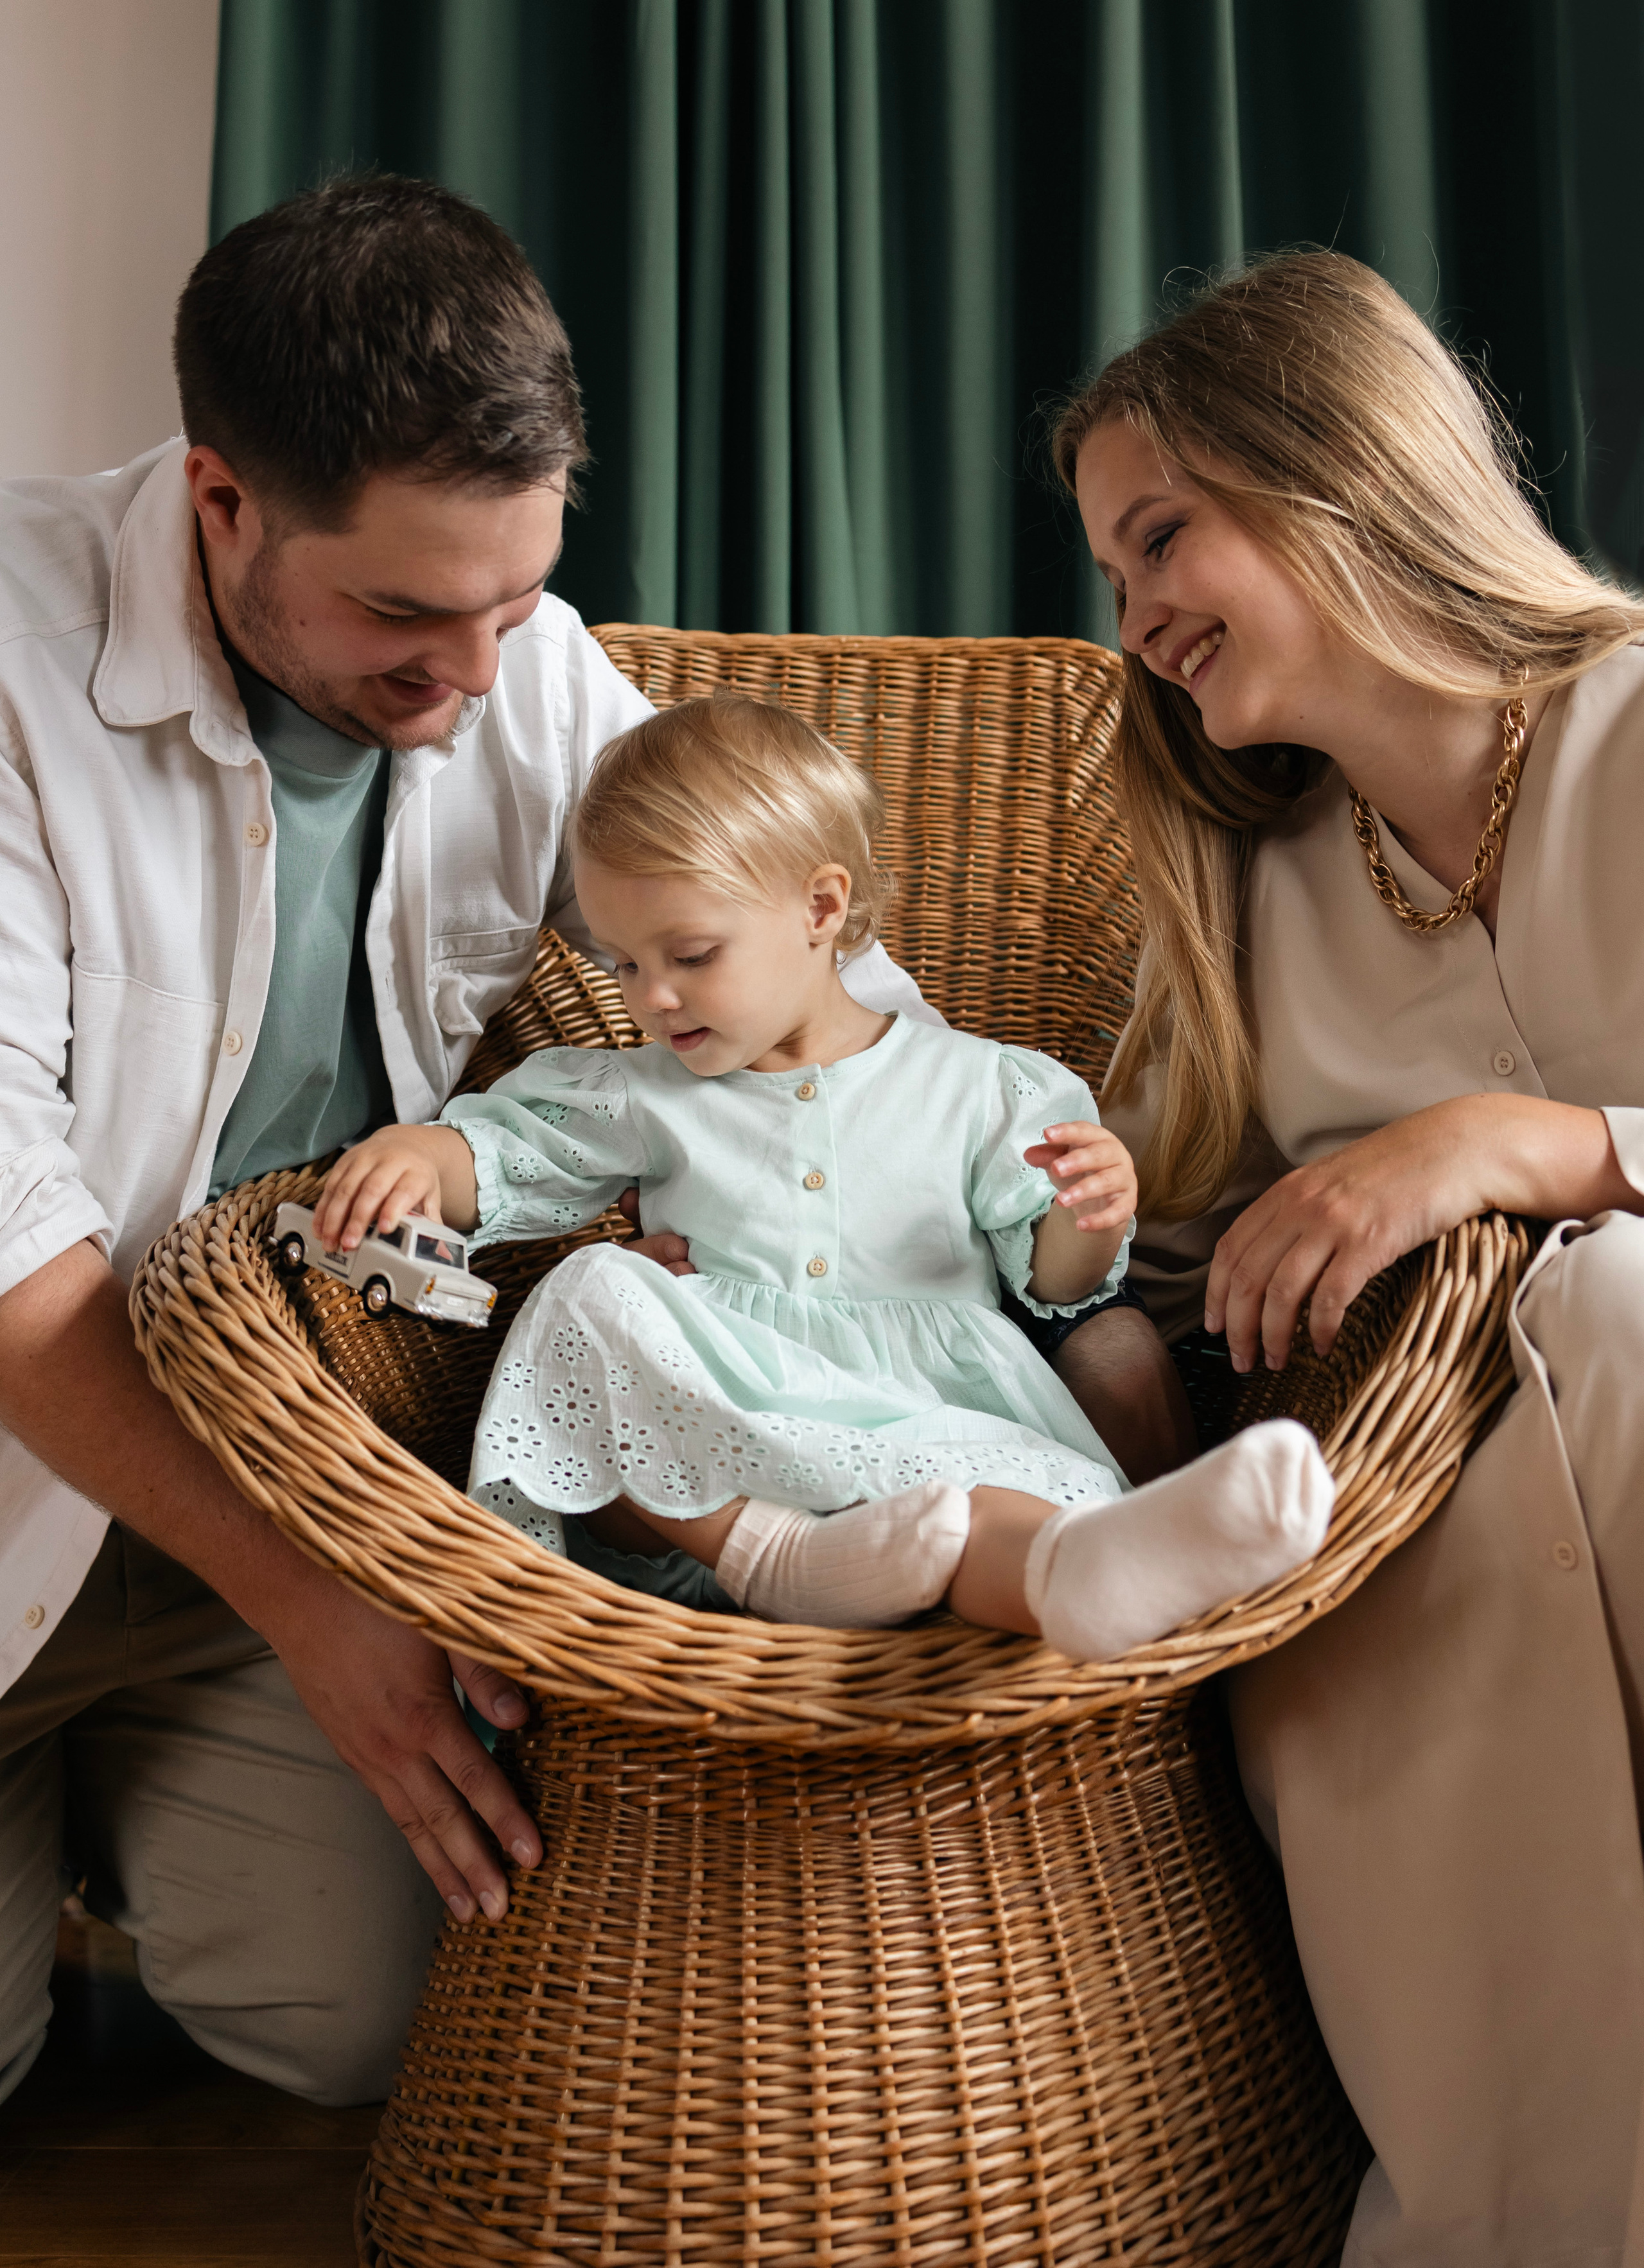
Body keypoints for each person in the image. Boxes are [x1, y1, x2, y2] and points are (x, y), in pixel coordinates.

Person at [0, 171, 1175, 2110]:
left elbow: (784, 959)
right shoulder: (19, 663)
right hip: (46, 1464)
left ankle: (139, 1828)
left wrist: (894, 1205)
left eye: (513, 600)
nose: (476, 682)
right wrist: (315, 1602)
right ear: (221, 499)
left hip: (293, 1463)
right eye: (403, 612)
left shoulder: (514, 666)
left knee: (384, 2020)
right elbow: (16, 1261)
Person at [1060, 247, 1644, 2266]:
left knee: (1614, 1311)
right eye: (1113, 572)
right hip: (1407, 1510)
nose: (1135, 617)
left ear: (1333, 465)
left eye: (1161, 536)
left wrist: (1518, 1147)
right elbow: (1154, 1259)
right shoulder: (1249, 893)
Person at [314, 694, 1332, 1650]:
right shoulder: (644, 1092)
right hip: (722, 1453)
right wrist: (421, 1156)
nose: (653, 997)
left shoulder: (981, 1087)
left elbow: (1058, 1287)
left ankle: (1075, 1575)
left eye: (691, 955)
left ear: (821, 907)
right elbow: (510, 1157)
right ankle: (774, 1555)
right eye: (623, 963)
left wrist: (1092, 1215)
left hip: (928, 1423)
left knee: (978, 1511)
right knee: (587, 1291)